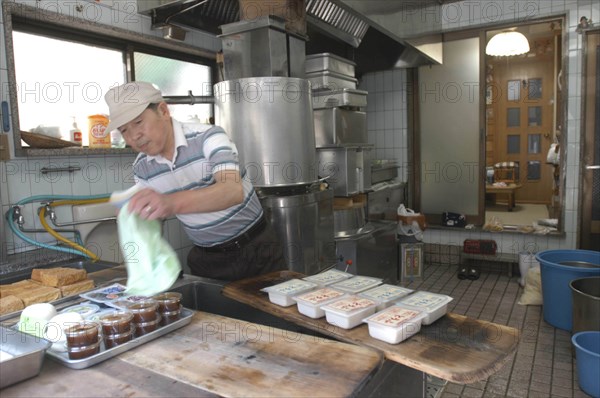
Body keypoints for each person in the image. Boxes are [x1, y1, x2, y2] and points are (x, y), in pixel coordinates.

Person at [104, 81, 285, 281]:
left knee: (271, 312)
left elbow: (231, 191)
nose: (134, 136)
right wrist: (135, 215)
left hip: (256, 250)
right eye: (124, 130)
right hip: (207, 260)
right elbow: (155, 215)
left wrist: (169, 202)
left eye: (138, 122)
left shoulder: (208, 137)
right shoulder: (142, 167)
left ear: (163, 111)